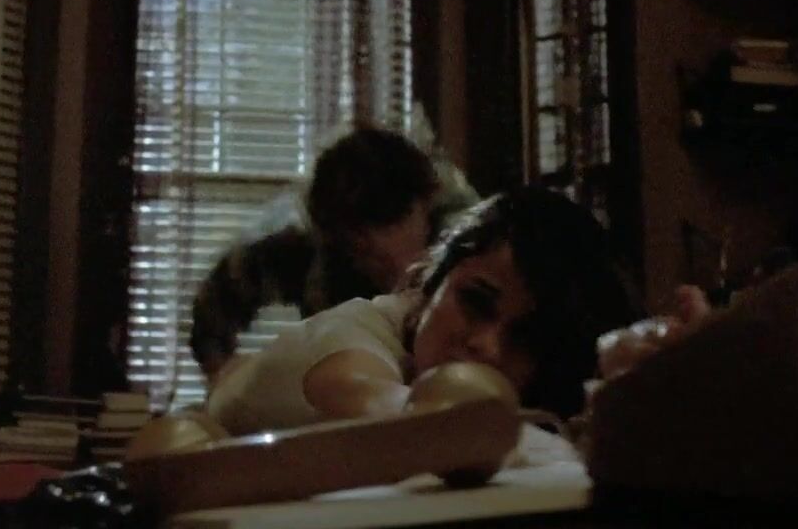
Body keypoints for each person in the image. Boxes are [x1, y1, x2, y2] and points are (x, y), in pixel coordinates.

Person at [206, 184, 640, 436]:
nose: (486, 345)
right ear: (428, 286)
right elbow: (353, 392)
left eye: (526, 339)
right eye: (475, 302)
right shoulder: (360, 327)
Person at [189, 124, 479, 383]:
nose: (391, 261)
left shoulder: (470, 251)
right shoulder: (303, 253)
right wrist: (226, 381)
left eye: (393, 222)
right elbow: (214, 306)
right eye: (367, 254)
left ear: (426, 204)